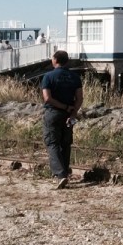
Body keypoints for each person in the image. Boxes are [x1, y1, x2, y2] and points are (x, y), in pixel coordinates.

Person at [41, 50, 83, 190]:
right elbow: (80, 98)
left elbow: (47, 98)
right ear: (67, 61)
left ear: (55, 60)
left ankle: (60, 175)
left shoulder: (48, 76)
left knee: (52, 143)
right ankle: (64, 172)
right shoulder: (75, 77)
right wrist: (73, 112)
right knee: (66, 143)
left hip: (53, 113)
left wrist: (63, 107)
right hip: (69, 114)